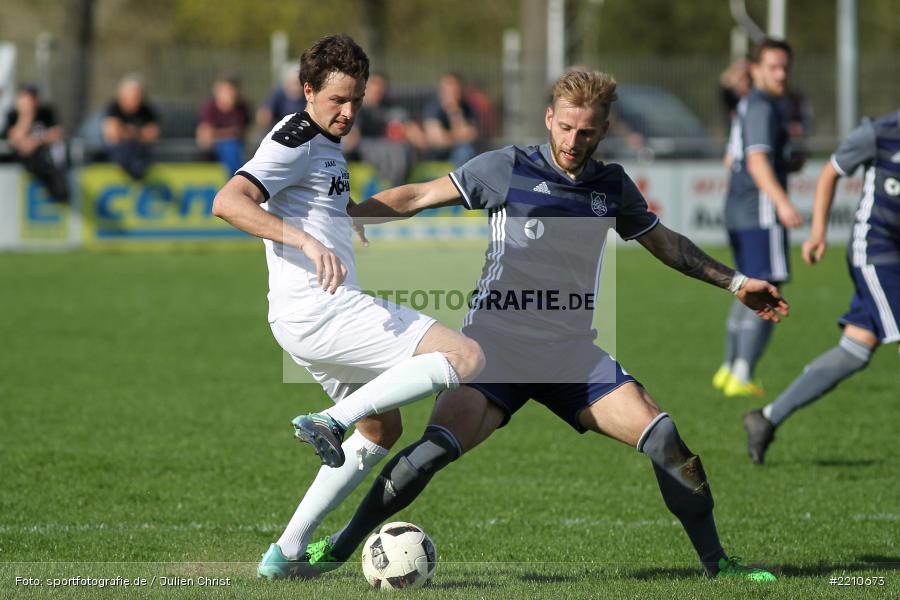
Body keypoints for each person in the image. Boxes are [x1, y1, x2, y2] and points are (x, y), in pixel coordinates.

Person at [304, 70, 785, 581]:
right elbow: (421, 195)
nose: (574, 142)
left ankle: (719, 565)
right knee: (428, 454)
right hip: (495, 350)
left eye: (587, 133)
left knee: (665, 439)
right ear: (550, 119)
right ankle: (339, 548)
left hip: (571, 355)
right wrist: (354, 214)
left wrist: (736, 284)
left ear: (603, 131)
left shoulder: (612, 186)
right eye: (566, 128)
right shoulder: (507, 168)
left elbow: (667, 245)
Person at [210, 34, 484, 580]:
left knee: (382, 429)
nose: (349, 111)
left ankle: (285, 553)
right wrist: (307, 243)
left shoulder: (326, 143)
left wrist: (345, 221)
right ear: (307, 90)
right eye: (337, 99)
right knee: (468, 358)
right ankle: (331, 422)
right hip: (323, 311)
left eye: (356, 99)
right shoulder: (295, 136)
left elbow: (327, 206)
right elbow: (228, 202)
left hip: (305, 320)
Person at [743, 109, 900, 465]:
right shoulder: (880, 132)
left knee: (855, 350)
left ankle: (766, 418)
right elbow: (830, 173)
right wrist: (818, 233)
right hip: (876, 250)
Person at [714, 38, 803, 398]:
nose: (780, 74)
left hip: (739, 209)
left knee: (747, 287)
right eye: (773, 67)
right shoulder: (763, 106)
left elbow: (730, 159)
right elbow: (756, 161)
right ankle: (742, 372)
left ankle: (728, 369)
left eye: (785, 67)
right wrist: (781, 202)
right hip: (760, 212)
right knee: (768, 289)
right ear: (755, 69)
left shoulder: (751, 105)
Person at [343, 73, 426, 187]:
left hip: (389, 147)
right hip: (363, 148)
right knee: (392, 151)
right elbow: (351, 138)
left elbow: (411, 130)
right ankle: (390, 187)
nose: (378, 91)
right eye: (374, 87)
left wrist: (417, 138)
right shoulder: (357, 108)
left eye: (381, 88)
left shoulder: (391, 109)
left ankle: (396, 187)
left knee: (400, 148)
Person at [2, 84, 69, 203]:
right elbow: (14, 138)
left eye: (33, 98)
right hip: (24, 159)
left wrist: (36, 141)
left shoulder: (46, 112)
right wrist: (26, 116)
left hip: (45, 157)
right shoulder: (12, 115)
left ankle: (59, 191)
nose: (31, 102)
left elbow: (57, 133)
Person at [102, 74, 159, 180]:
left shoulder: (146, 110)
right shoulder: (114, 108)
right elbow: (112, 134)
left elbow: (153, 134)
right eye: (132, 95)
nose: (135, 99)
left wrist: (126, 132)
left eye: (137, 95)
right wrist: (138, 133)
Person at [196, 74, 252, 177]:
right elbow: (205, 137)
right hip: (216, 149)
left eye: (233, 90)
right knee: (230, 147)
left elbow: (246, 132)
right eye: (227, 90)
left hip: (239, 147)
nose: (231, 94)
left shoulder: (242, 108)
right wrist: (231, 133)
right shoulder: (209, 108)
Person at [423, 72, 479, 167]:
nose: (452, 92)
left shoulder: (466, 108)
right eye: (448, 89)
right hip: (438, 155)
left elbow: (472, 135)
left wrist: (454, 112)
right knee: (464, 151)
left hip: (458, 151)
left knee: (466, 149)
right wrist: (460, 135)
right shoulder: (433, 108)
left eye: (455, 89)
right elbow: (437, 140)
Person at [256, 64, 307, 129]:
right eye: (293, 83)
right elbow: (264, 113)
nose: (296, 87)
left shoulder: (306, 96)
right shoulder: (278, 95)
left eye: (299, 83)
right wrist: (265, 116)